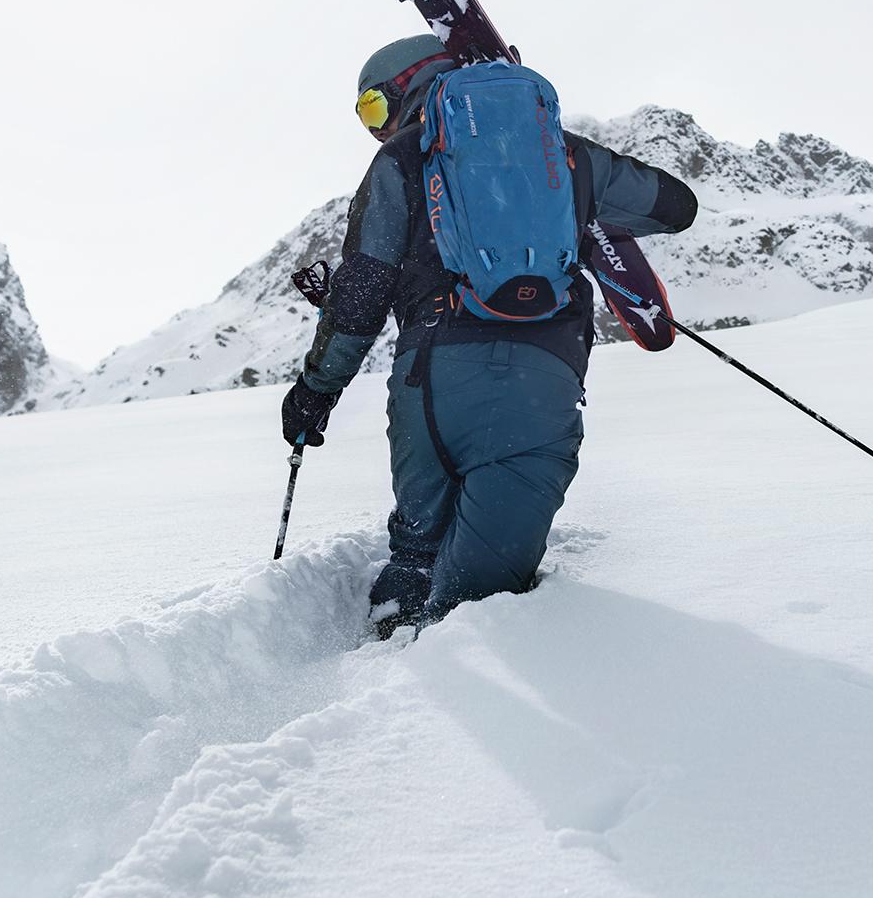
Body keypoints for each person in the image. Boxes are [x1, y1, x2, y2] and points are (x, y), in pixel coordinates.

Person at [281, 34, 698, 638]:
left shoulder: (403, 158)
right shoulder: (566, 155)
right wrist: (568, 206)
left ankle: (393, 649)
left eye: (374, 108)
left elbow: (362, 291)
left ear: (408, 88)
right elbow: (676, 208)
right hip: (542, 383)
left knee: (414, 563)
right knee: (482, 607)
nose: (376, 127)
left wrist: (315, 391)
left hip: (430, 385)